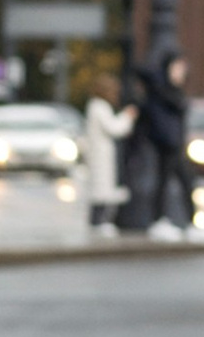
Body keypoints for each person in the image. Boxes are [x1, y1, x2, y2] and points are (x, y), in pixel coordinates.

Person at [115, 52, 194, 236]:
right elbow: (141, 70)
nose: (181, 72)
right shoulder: (159, 88)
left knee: (182, 181)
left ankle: (184, 221)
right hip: (165, 143)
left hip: (174, 144)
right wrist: (162, 72)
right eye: (177, 67)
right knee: (167, 182)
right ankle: (162, 221)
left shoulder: (175, 91)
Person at [81, 86, 126, 229]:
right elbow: (114, 128)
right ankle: (101, 222)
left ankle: (96, 221)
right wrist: (127, 117)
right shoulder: (100, 107)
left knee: (99, 188)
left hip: (98, 153)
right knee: (102, 190)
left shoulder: (94, 106)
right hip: (101, 153)